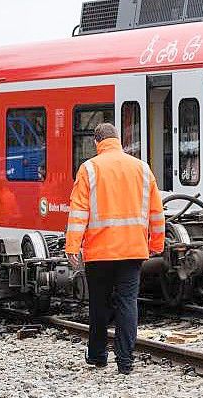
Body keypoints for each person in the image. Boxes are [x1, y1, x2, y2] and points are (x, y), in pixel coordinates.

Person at [65, 123, 165, 375]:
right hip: (132, 250)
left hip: (100, 252)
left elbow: (79, 213)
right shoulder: (142, 168)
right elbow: (157, 212)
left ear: (97, 142)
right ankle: (125, 361)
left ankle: (98, 355)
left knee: (99, 303)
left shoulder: (89, 168)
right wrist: (156, 244)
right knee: (127, 303)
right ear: (118, 140)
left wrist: (72, 246)